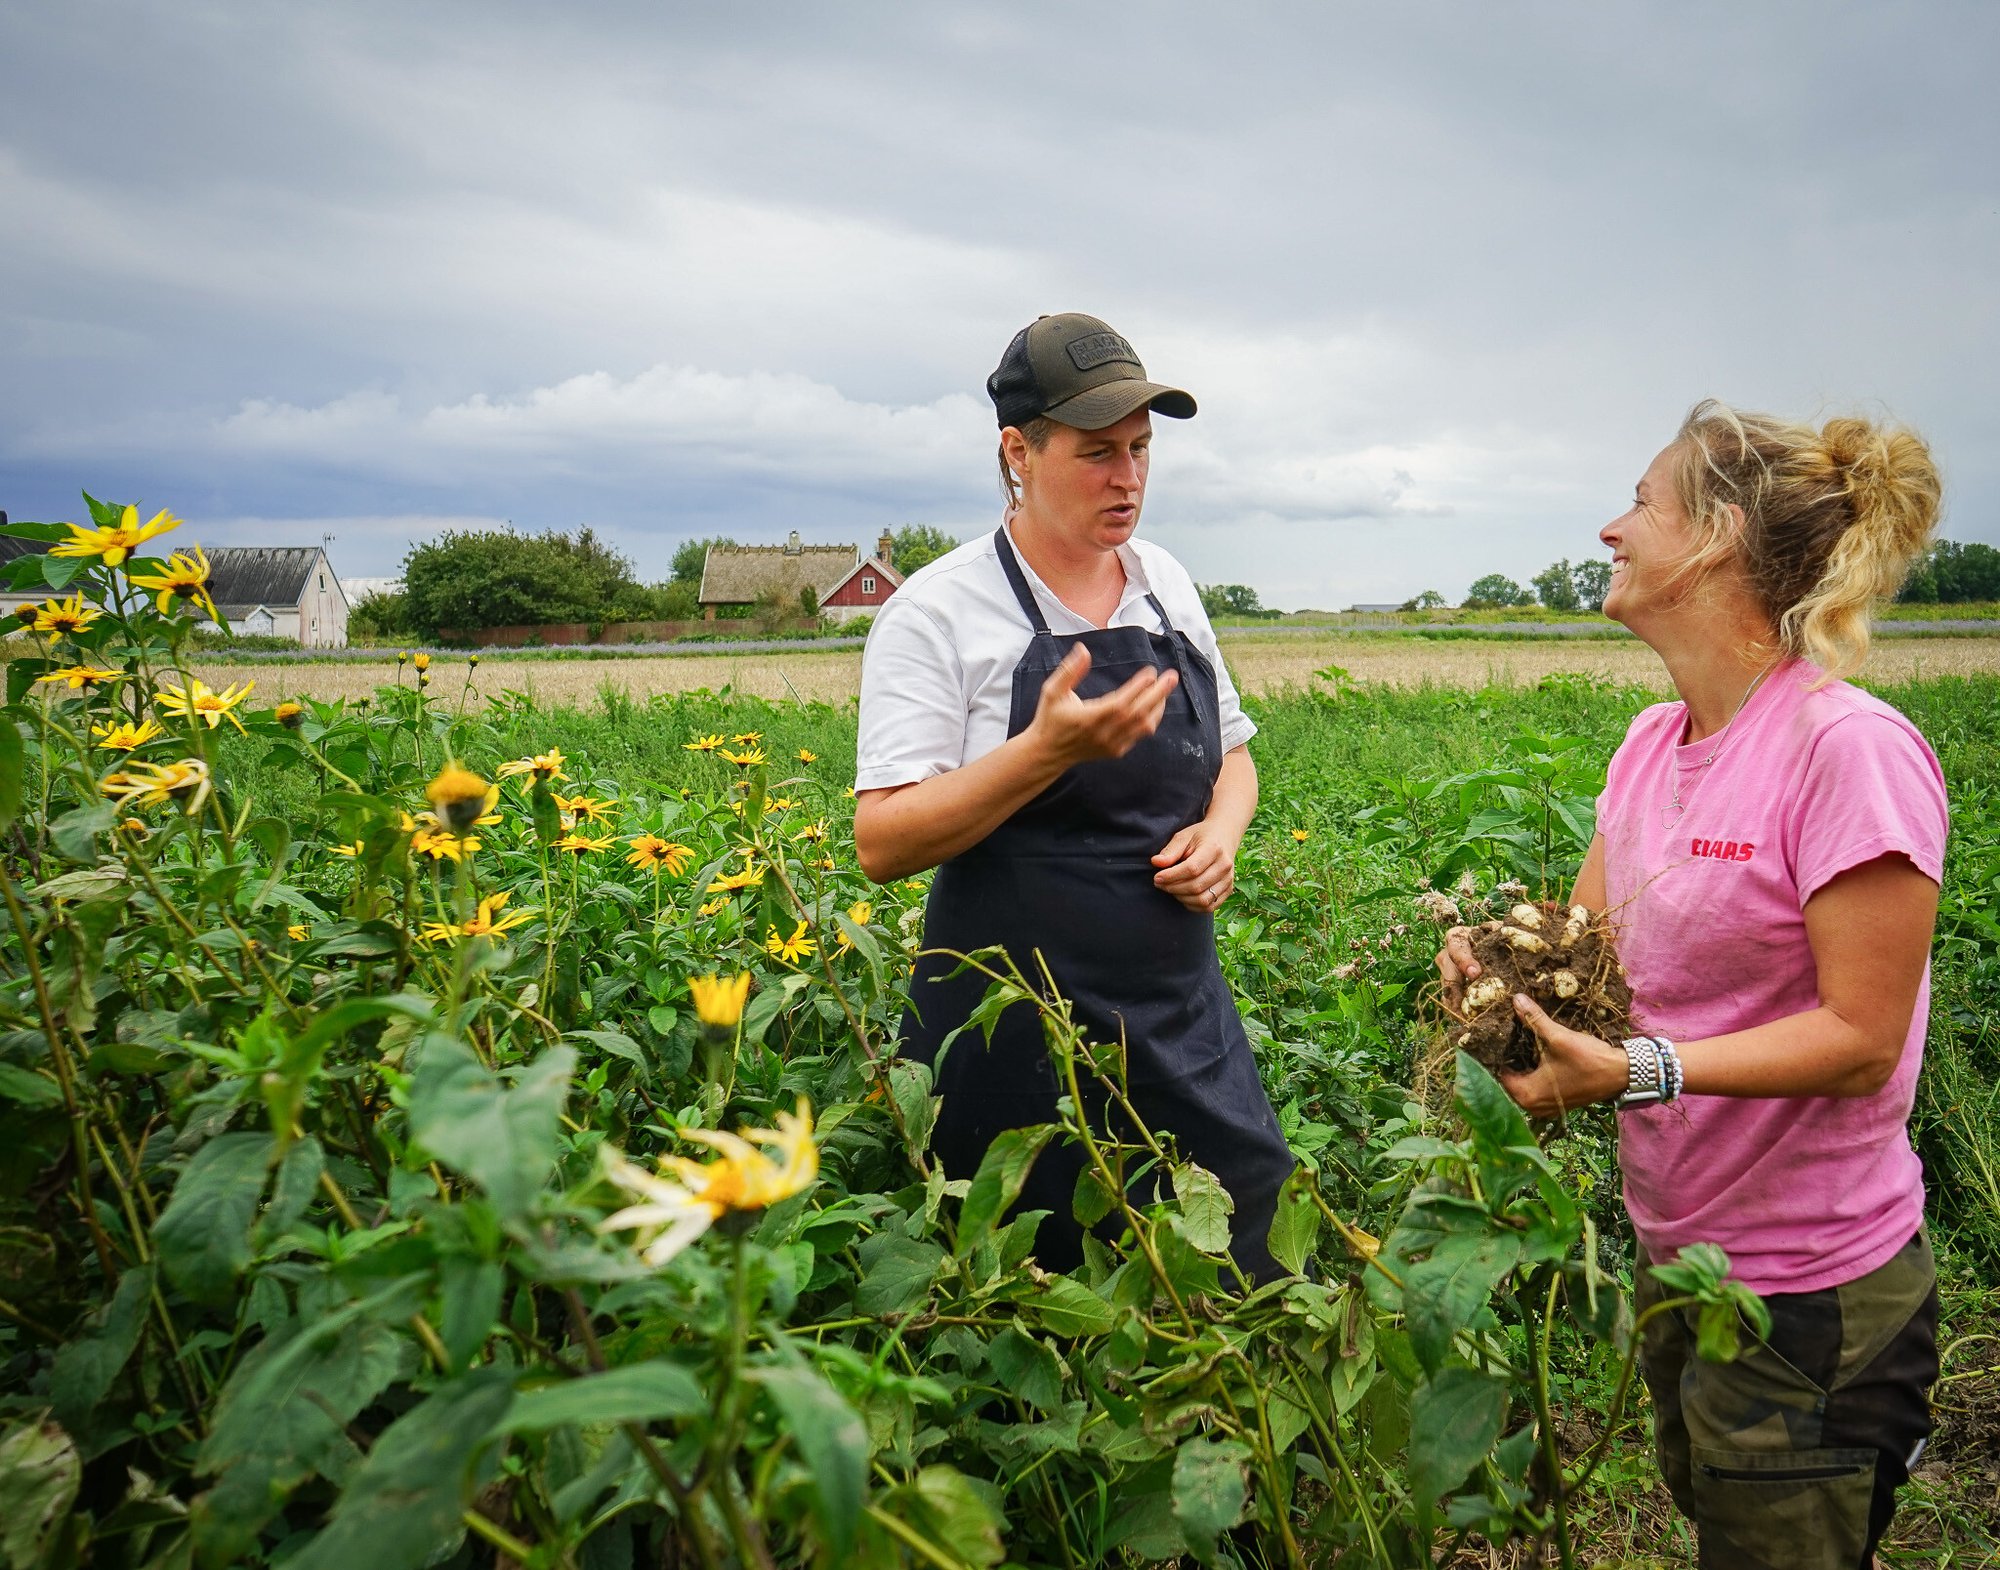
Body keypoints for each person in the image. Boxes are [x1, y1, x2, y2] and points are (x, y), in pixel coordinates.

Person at [1439, 401, 1946, 1569]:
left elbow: (1863, 1038)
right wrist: (1491, 967)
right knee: (1725, 1523)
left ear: (1715, 539)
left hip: (1810, 1293)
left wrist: (1637, 1073)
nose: (1610, 529)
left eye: (1640, 502)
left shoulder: (1844, 750)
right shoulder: (1645, 744)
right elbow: (1584, 954)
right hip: (1681, 1256)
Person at [852, 312, 1295, 1280]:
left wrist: (1221, 830)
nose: (1127, 477)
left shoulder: (1164, 585)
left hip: (1180, 1029)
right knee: (1044, 1310)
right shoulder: (934, 614)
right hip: (1015, 1053)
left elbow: (1233, 754)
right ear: (1018, 451)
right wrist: (1041, 752)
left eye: (1140, 450)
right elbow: (880, 840)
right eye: (1097, 452)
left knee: (1250, 1268)